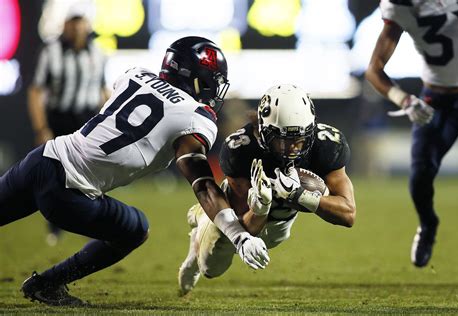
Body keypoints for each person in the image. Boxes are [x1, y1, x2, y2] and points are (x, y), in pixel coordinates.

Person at [0, 36, 269, 306]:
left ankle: (45, 285)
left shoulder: (135, 74)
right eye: (213, 81)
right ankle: (46, 284)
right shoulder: (194, 116)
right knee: (135, 228)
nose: (214, 90)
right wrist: (239, 235)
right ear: (197, 79)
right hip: (68, 192)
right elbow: (203, 184)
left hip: (41, 159)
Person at [178, 84, 356, 295]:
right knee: (211, 268)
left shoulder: (327, 145)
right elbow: (246, 228)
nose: (292, 148)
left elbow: (348, 214)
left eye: (299, 139)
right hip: (243, 214)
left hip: (281, 219)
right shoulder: (241, 150)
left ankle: (205, 220)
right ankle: (203, 219)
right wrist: (261, 206)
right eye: (283, 139)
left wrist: (299, 195)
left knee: (274, 238)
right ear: (264, 131)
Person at [365, 0, 458, 268]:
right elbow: (374, 70)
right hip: (435, 101)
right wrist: (404, 100)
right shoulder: (400, 7)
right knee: (419, 179)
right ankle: (428, 226)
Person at [28, 7, 109, 245]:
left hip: (87, 117)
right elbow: (36, 90)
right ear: (64, 25)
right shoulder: (50, 52)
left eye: (79, 23)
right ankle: (55, 224)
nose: (75, 28)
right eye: (71, 23)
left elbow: (103, 90)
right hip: (59, 117)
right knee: (57, 173)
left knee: (93, 172)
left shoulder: (98, 52)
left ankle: (92, 222)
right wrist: (41, 127)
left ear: (87, 25)